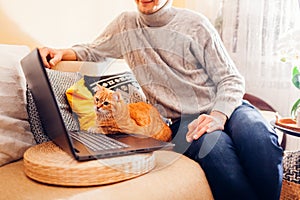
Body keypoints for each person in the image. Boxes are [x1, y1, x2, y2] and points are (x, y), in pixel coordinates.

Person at [39, 0, 283, 199]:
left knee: (258, 135)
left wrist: (219, 115)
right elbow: (93, 50)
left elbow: (231, 78)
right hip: (184, 120)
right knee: (217, 151)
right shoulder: (125, 26)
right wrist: (61, 52)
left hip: (228, 106)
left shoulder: (196, 24)